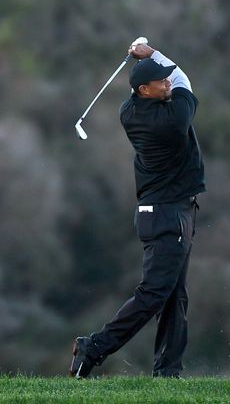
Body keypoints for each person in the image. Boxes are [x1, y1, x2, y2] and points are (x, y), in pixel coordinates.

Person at [70, 40, 205, 379]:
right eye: (161, 80)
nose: (168, 82)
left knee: (174, 295)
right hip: (168, 216)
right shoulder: (173, 119)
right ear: (145, 89)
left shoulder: (129, 110)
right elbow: (186, 81)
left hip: (164, 213)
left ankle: (168, 370)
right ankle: (95, 348)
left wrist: (149, 62)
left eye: (165, 78)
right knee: (154, 294)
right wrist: (153, 53)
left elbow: (170, 81)